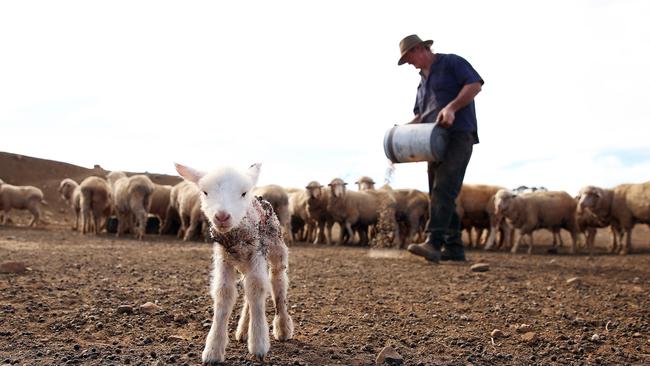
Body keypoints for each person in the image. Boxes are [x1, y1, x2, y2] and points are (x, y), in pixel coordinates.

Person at [397, 34, 483, 263]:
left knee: (444, 187)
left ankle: (434, 242)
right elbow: (420, 116)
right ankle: (454, 248)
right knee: (438, 192)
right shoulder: (421, 83)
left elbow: (475, 85)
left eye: (409, 58)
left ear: (419, 49)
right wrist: (401, 133)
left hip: (458, 136)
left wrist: (452, 108)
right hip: (433, 142)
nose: (410, 64)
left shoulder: (452, 62)